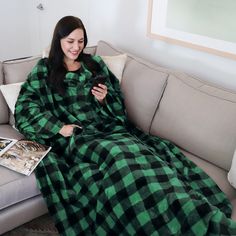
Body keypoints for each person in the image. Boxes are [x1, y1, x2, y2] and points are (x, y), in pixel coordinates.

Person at [15, 15, 236, 236]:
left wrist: (104, 99)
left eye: (81, 41)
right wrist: (59, 128)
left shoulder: (95, 64)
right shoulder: (44, 70)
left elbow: (117, 105)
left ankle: (193, 212)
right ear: (58, 40)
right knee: (120, 161)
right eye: (70, 41)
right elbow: (25, 107)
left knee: (147, 160)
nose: (76, 47)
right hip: (80, 137)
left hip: (110, 128)